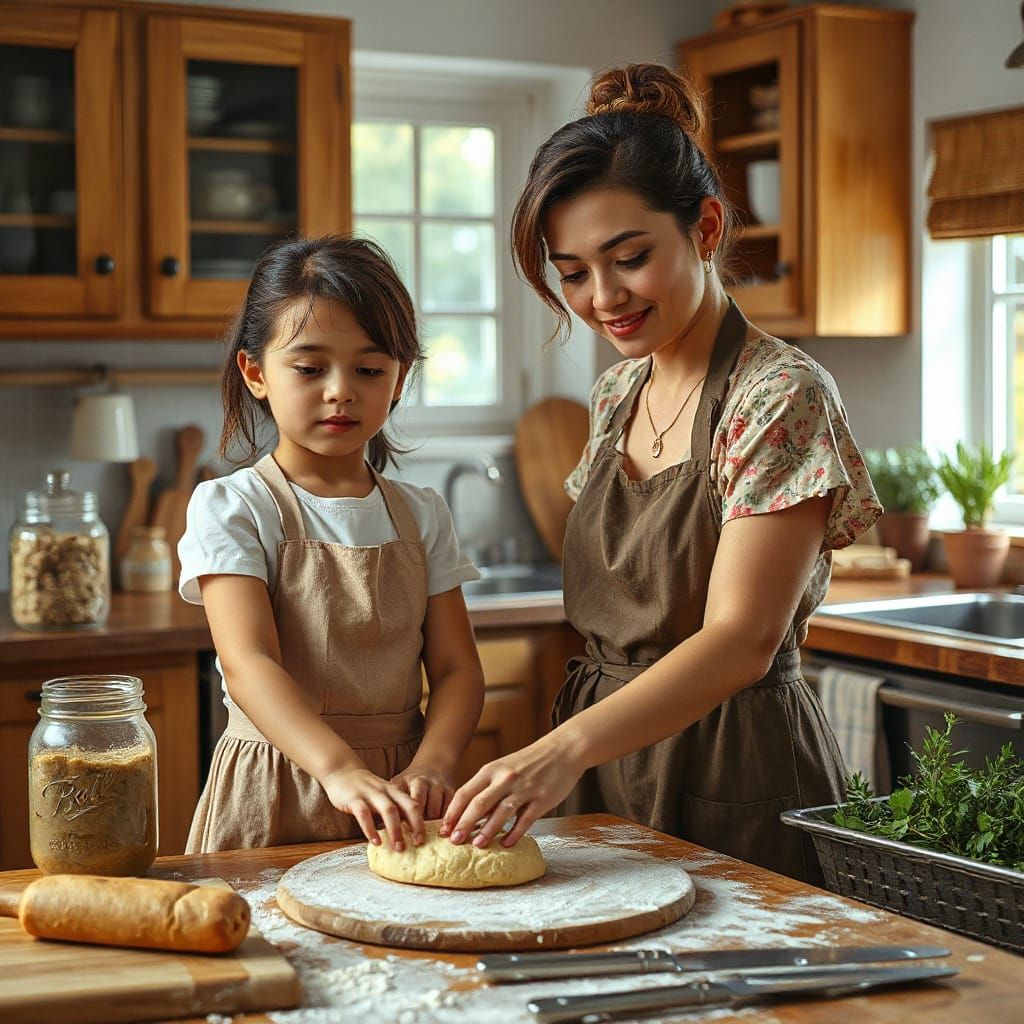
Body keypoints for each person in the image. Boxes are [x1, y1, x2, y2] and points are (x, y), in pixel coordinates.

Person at [441, 64, 882, 883]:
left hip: (734, 769)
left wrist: (557, 753)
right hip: (606, 762)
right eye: (571, 272)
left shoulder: (777, 395)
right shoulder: (617, 391)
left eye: (629, 258)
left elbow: (741, 641)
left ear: (706, 228)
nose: (602, 297)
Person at [180, 235, 485, 854]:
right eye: (310, 367)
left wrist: (434, 764)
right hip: (277, 783)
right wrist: (339, 770)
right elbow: (249, 664)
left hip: (401, 796)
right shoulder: (235, 507)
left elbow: (457, 670)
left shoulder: (422, 514)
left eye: (369, 369)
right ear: (256, 373)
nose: (341, 390)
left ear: (399, 379)